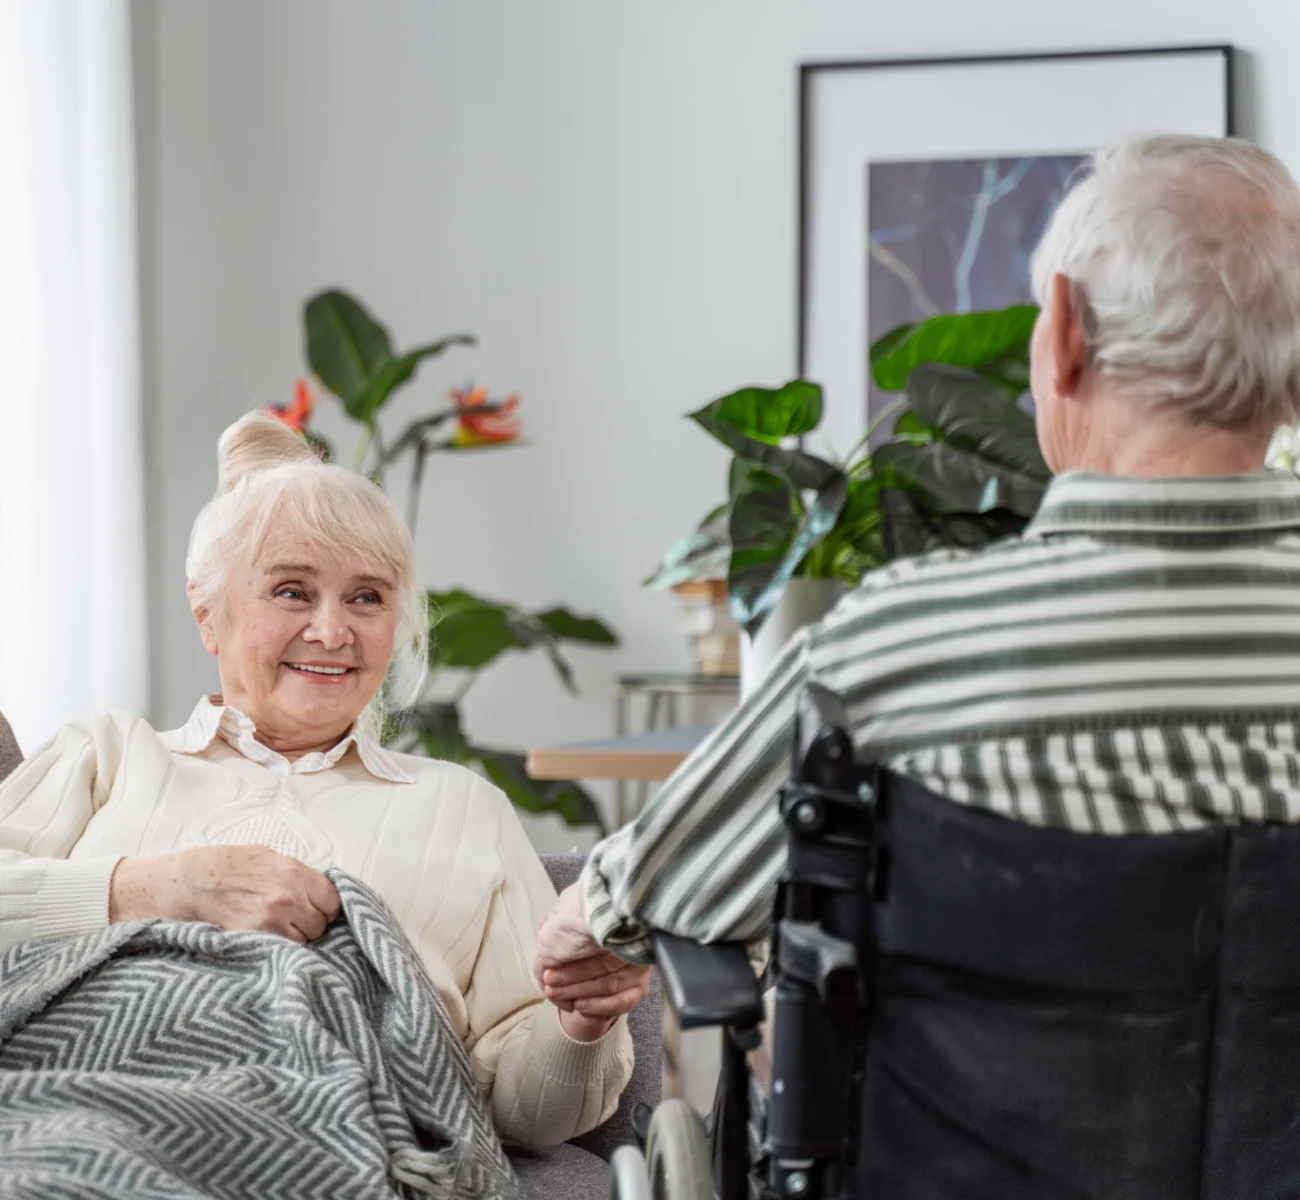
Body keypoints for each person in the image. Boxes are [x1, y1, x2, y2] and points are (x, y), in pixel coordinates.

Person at [533, 133, 1300, 995]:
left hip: (986, 1129)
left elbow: (666, 886)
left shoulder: (901, 643)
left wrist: (587, 912)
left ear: (1067, 335)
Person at [0, 413, 648, 1149]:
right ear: (208, 614)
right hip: (58, 1112)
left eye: (367, 597)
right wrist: (158, 888)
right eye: (290, 592)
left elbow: (521, 1115)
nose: (333, 632)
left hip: (323, 1148)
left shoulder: (462, 807)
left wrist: (579, 1020)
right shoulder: (108, 754)